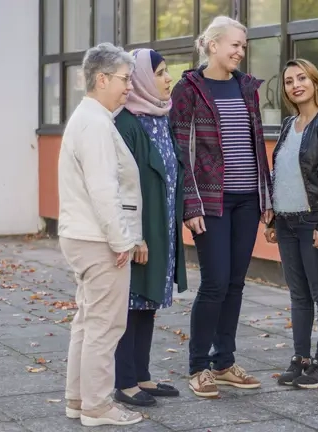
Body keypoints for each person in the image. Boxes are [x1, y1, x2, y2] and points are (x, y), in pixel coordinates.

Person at [170, 15, 273, 398]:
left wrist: (266, 195)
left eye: (243, 47)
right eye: (235, 45)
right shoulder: (188, 89)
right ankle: (199, 366)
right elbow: (183, 152)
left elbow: (256, 141)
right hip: (211, 202)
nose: (240, 52)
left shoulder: (247, 88)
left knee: (235, 283)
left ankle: (224, 361)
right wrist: (190, 204)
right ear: (213, 45)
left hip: (248, 199)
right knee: (214, 283)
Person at [57, 42, 145, 427]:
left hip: (83, 235)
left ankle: (79, 401)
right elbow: (104, 190)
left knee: (88, 321)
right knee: (105, 326)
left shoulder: (88, 119)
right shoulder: (94, 124)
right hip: (97, 238)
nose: (129, 86)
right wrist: (122, 240)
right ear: (102, 78)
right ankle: (97, 406)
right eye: (125, 79)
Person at [112, 48, 188, 407]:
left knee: (148, 302)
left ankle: (141, 375)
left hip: (163, 228)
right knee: (130, 304)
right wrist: (134, 234)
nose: (168, 78)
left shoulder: (161, 117)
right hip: (141, 232)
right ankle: (124, 381)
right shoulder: (126, 124)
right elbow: (120, 186)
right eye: (160, 72)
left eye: (167, 72)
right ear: (143, 78)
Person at [263, 59, 318, 389]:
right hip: (286, 221)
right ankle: (301, 360)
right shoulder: (288, 124)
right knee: (299, 296)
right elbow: (280, 174)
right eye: (288, 81)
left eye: (301, 78)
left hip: (314, 220)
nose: (295, 84)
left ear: (315, 82)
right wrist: (271, 216)